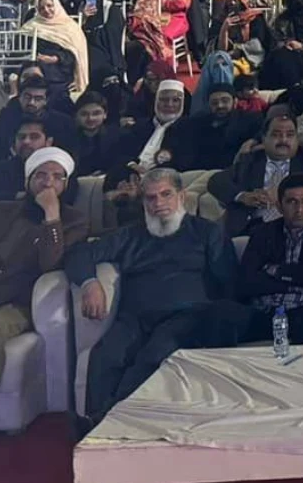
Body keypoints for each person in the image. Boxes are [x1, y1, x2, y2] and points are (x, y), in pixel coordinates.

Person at [65, 166, 248, 427]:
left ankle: (103, 423)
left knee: (152, 356)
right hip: (134, 319)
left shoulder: (207, 232)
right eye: (150, 197)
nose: (158, 203)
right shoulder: (130, 235)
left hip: (186, 317)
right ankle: (99, 426)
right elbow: (79, 253)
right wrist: (89, 283)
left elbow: (228, 282)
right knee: (105, 356)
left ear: (181, 196)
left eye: (166, 194)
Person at [0, 147, 87, 459]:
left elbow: (51, 265)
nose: (48, 183)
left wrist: (52, 217)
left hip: (17, 304)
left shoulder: (74, 221)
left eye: (57, 177)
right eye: (41, 175)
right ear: (27, 180)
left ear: (66, 183)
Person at [234, 173, 303, 346]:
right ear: (279, 206)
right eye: (292, 202)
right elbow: (247, 280)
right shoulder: (263, 232)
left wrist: (275, 270)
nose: (299, 209)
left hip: (302, 313)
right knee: (222, 312)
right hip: (263, 313)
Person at [209, 106, 303, 236]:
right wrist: (243, 196)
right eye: (276, 135)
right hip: (252, 228)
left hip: (296, 227)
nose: (283, 140)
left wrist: (284, 192)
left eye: (290, 135)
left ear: (297, 139)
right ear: (264, 139)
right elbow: (216, 181)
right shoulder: (251, 160)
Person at [125, 0, 192, 81]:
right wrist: (153, 8)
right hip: (153, 15)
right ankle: (148, 69)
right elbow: (143, 2)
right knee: (143, 31)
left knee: (161, 34)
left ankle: (165, 71)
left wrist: (161, 3)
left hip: (176, 17)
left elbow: (182, 3)